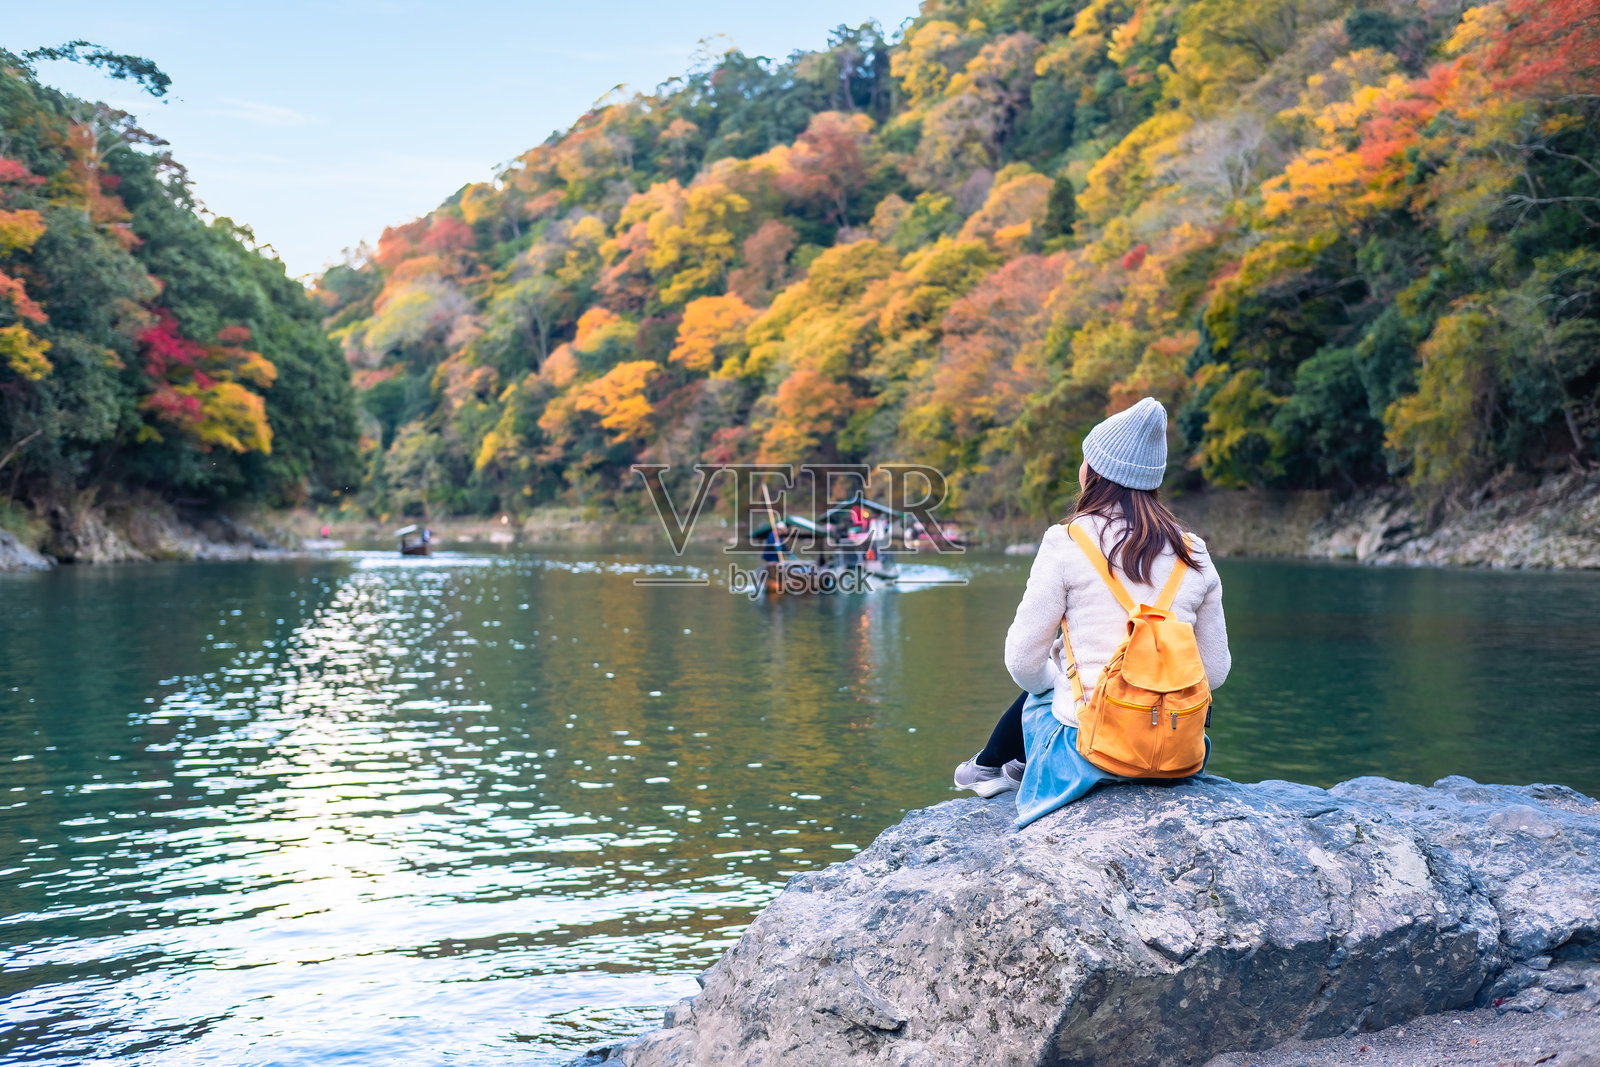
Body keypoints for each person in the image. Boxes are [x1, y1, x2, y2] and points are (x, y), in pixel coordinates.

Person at [953, 397, 1231, 827]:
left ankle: (998, 768)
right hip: (1177, 753)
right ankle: (999, 767)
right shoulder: (1193, 551)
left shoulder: (1066, 542)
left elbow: (1022, 662)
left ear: (1094, 472)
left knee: (1042, 686)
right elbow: (1213, 673)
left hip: (1092, 751)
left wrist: (1058, 681)